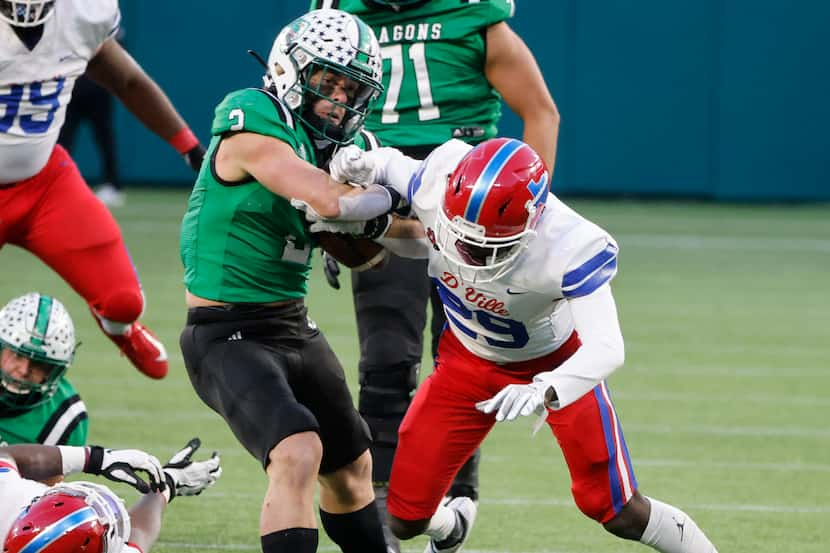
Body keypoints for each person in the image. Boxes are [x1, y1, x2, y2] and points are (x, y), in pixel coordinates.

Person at [310, 138, 720, 553]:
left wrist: (546, 387)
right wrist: (356, 164)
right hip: (465, 360)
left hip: (555, 361)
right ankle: (452, 528)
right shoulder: (438, 175)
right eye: (460, 236)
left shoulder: (569, 244)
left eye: (484, 247)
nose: (466, 254)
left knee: (616, 510)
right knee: (404, 518)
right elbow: (386, 164)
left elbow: (608, 346)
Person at [310, 3, 560, 546]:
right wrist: (328, 201)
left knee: (466, 358)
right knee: (385, 358)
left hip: (468, 197)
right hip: (378, 185)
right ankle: (380, 502)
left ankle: (458, 493)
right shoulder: (340, 16)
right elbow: (312, 115)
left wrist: (526, 217)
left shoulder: (473, 15)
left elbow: (541, 111)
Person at [178, 9, 403, 553]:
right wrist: (389, 199)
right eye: (328, 83)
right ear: (289, 69)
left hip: (292, 326)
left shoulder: (343, 149)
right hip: (225, 331)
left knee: (352, 468)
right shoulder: (251, 113)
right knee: (298, 450)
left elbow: (383, 248)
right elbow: (327, 198)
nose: (340, 101)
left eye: (353, 89)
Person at [0, 0, 207, 380]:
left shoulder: (82, 13)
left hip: (43, 183)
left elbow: (126, 80)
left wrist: (190, 148)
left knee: (123, 301)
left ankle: (120, 329)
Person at [0, 437, 221, 553]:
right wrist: (169, 483)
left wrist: (96, 459)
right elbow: (139, 535)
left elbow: (5, 454)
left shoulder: (8, 498)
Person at [0, 293, 88, 447]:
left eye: (39, 364)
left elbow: (54, 472)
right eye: (17, 355)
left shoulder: (63, 417)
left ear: (54, 370)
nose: (24, 370)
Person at [59, 74, 124, 206]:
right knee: (63, 142)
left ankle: (112, 184)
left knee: (104, 138)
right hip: (71, 88)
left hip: (98, 88)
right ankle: (58, 186)